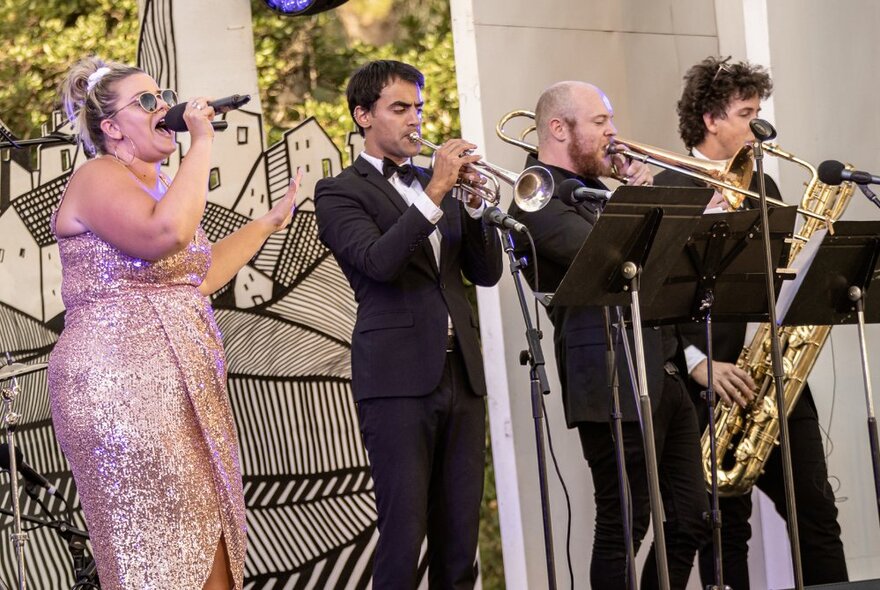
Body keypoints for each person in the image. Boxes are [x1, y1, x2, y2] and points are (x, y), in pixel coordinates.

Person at [49, 56, 302, 590]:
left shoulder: (162, 186)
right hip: (121, 384)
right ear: (112, 127)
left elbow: (197, 276)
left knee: (210, 538)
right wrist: (202, 142)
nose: (163, 107)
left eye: (163, 95)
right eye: (146, 102)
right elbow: (165, 235)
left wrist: (267, 223)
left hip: (182, 379)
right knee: (161, 553)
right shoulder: (97, 177)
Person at [654, 55, 848, 588]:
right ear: (711, 119)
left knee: (816, 516)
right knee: (724, 531)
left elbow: (781, 281)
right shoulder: (666, 189)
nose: (759, 127)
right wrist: (697, 364)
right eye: (746, 113)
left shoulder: (767, 187)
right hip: (706, 386)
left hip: (773, 381)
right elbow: (648, 303)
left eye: (759, 111)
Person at [508, 81, 709, 589]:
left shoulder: (598, 193)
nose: (614, 132)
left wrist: (641, 198)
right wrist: (641, 200)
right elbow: (609, 258)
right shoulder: (535, 198)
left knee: (693, 519)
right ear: (559, 128)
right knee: (625, 523)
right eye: (600, 122)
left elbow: (667, 268)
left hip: (661, 368)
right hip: (606, 375)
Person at [313, 60, 503, 589]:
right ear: (362, 116)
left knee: (460, 543)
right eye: (399, 108)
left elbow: (484, 275)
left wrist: (478, 206)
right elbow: (378, 261)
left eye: (417, 107)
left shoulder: (434, 184)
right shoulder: (338, 192)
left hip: (460, 376)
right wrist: (437, 193)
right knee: (403, 538)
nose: (414, 119)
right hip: (396, 381)